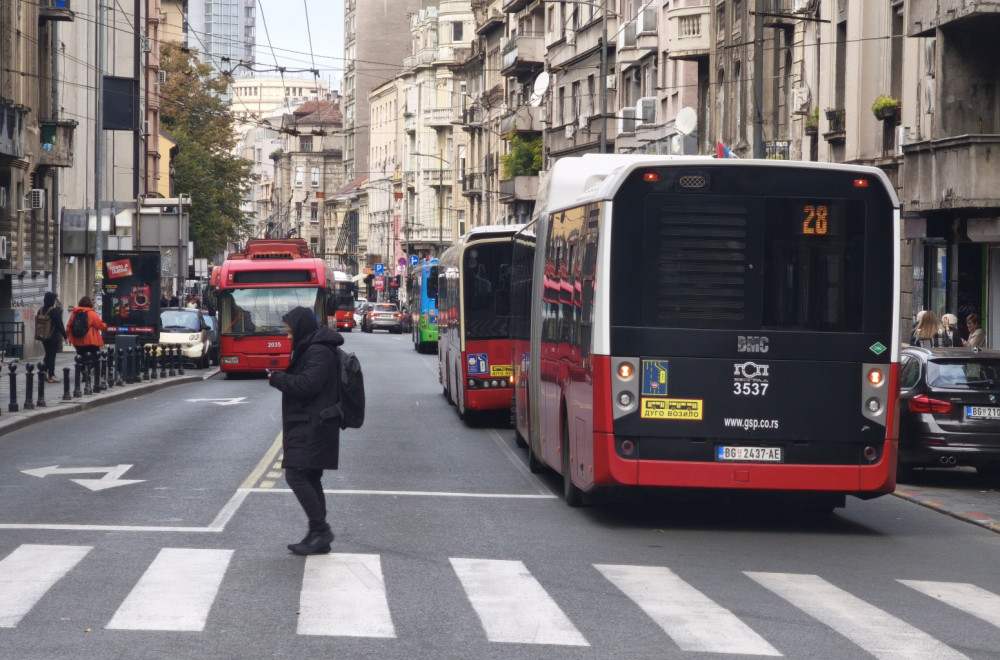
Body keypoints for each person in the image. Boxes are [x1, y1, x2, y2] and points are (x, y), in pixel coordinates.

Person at [267, 306, 344, 555]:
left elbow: (308, 385)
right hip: (310, 422)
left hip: (313, 424)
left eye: (290, 332)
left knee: (297, 474)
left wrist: (277, 379)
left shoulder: (318, 351)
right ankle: (317, 534)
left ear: (300, 328)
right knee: (309, 476)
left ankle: (320, 531)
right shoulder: (314, 348)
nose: (288, 337)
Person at [38, 291, 67, 382]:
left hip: (43, 336)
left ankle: (43, 372)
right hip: (53, 336)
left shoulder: (41, 310)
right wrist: (65, 336)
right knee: (52, 355)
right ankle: (51, 374)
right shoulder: (54, 311)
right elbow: (60, 325)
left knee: (48, 354)